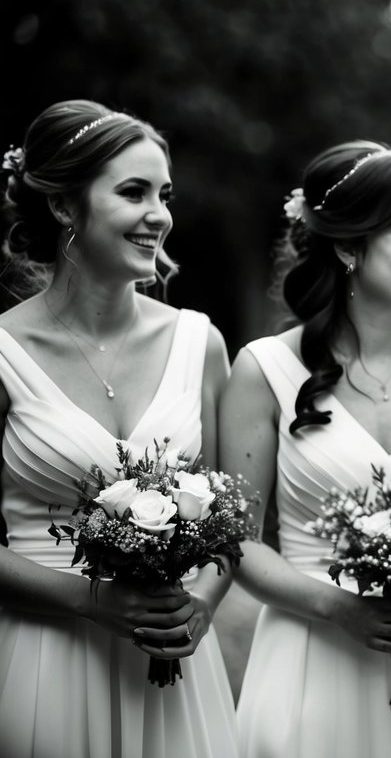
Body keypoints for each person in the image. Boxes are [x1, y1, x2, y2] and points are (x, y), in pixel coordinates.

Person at [219, 142, 391, 758]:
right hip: (311, 660)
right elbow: (236, 539)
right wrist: (341, 608)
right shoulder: (264, 371)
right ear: (347, 246)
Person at [0, 100, 236, 757]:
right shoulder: (3, 353)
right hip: (45, 658)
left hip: (175, 671)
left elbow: (233, 519)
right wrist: (88, 600)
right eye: (133, 192)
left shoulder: (200, 343)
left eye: (164, 194)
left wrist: (202, 605)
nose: (158, 214)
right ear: (63, 207)